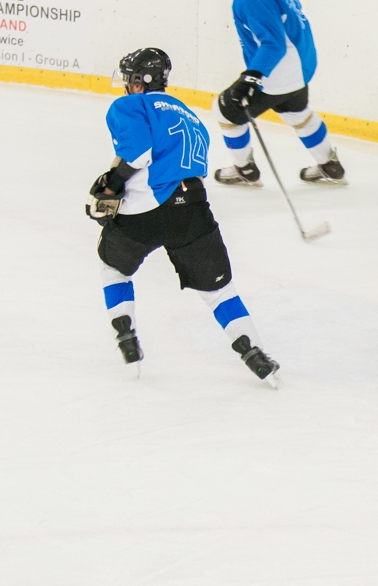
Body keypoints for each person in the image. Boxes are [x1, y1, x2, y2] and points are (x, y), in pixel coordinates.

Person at [86, 47, 280, 386]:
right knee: (220, 292)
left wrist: (111, 185)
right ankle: (255, 354)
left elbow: (139, 155)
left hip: (145, 211)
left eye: (130, 80)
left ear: (139, 82)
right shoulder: (190, 116)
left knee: (113, 267)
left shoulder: (129, 105)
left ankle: (126, 337)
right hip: (193, 208)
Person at [207, 0, 345, 187]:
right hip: (302, 61)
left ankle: (245, 169)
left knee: (225, 112)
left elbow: (274, 45)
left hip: (279, 71)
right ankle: (330, 165)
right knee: (297, 113)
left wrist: (251, 77)